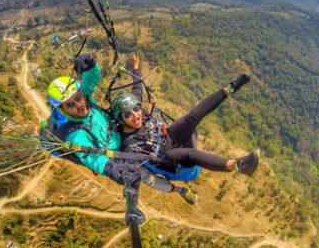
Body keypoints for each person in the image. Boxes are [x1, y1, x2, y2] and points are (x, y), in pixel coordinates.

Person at [111, 54, 259, 196]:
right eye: (127, 115)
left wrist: (135, 68)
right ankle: (238, 165)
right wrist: (174, 189)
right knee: (190, 154)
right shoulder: (128, 144)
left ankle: (230, 88)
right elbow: (146, 177)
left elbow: (137, 89)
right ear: (121, 119)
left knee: (192, 118)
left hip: (168, 136)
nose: (135, 115)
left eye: (136, 109)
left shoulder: (138, 111)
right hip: (170, 160)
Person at [44, 54, 142, 203]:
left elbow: (90, 78)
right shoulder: (74, 132)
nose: (78, 105)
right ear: (63, 110)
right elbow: (90, 155)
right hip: (113, 154)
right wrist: (111, 168)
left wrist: (90, 64)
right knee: (141, 171)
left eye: (77, 98)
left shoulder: (86, 98)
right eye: (70, 105)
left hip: (117, 131)